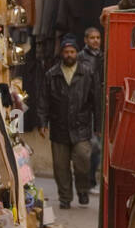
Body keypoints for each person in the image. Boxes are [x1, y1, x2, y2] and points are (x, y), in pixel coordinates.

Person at [36, 34, 101, 210]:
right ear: (62, 53)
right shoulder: (52, 75)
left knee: (83, 160)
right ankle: (65, 197)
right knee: (60, 166)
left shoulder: (87, 73)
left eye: (72, 51)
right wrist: (42, 122)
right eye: (66, 52)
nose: (69, 55)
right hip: (59, 127)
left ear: (77, 53)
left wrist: (99, 127)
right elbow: (43, 100)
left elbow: (96, 100)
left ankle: (82, 190)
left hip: (81, 127)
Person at [82, 26, 104, 195]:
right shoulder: (81, 58)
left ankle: (89, 181)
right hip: (86, 109)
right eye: (92, 38)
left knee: (97, 147)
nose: (95, 41)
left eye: (98, 38)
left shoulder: (104, 57)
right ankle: (88, 181)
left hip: (100, 108)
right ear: (86, 40)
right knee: (93, 147)